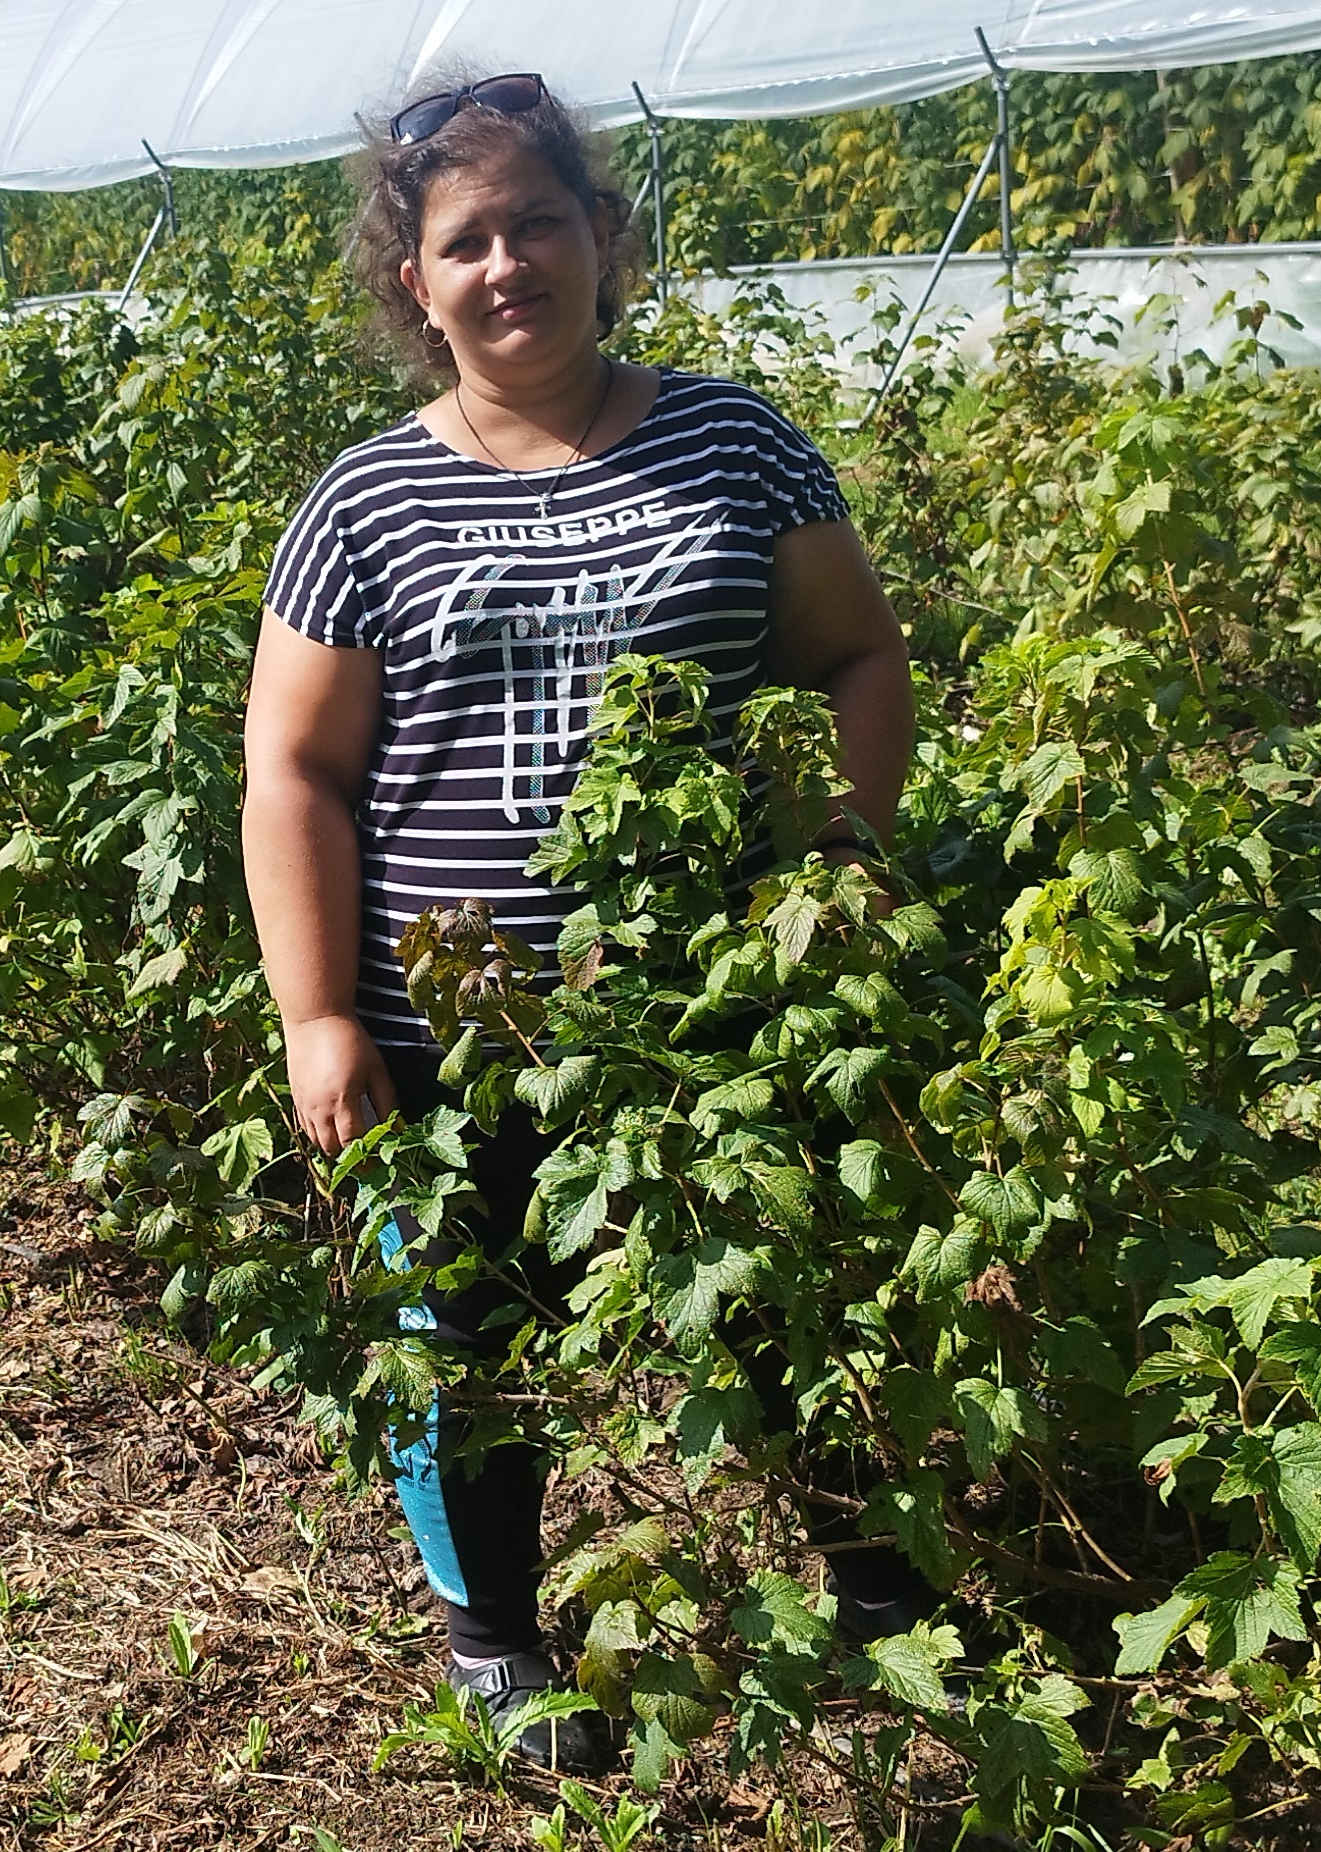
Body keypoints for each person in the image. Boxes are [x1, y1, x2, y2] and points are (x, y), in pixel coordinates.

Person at [242, 72, 918, 1774]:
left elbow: (856, 655)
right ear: (415, 281)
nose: (506, 264)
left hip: (711, 1012)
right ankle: (497, 1646)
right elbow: (295, 773)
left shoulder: (736, 441)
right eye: (464, 239)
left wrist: (839, 861)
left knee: (785, 1301)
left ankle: (876, 1581)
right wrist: (321, 1017)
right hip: (451, 1033)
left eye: (538, 220)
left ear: (602, 236)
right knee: (462, 1339)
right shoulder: (367, 503)